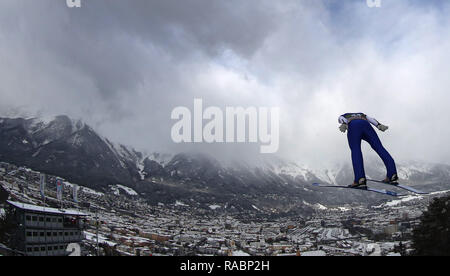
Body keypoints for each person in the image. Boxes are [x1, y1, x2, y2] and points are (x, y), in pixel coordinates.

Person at [338, 112, 398, 189]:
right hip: (366, 125)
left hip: (354, 127)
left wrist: (344, 124)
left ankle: (360, 179)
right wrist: (379, 125)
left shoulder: (344, 115)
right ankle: (392, 175)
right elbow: (371, 119)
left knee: (356, 150)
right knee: (379, 147)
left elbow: (341, 119)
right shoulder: (361, 114)